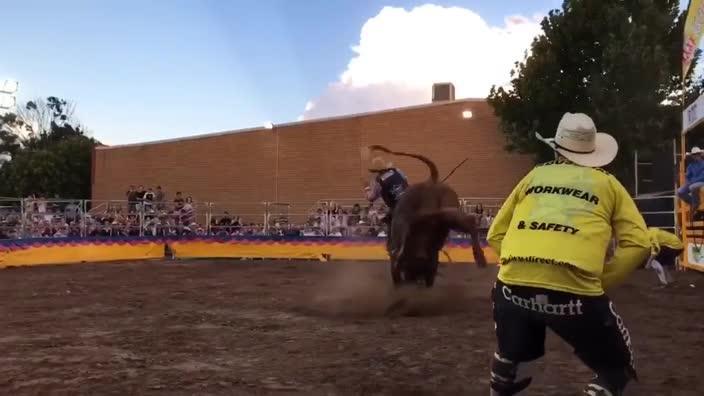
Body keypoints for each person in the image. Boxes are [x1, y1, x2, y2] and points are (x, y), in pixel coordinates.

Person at [486, 112, 651, 396]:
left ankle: (503, 376)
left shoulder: (535, 175)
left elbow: (494, 235)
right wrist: (601, 281)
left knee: (511, 354)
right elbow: (639, 244)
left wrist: (522, 268)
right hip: (575, 291)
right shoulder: (608, 184)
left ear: (557, 148)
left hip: (511, 288)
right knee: (616, 369)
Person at [364, 156, 409, 251]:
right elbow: (406, 181)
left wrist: (366, 188)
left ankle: (392, 248)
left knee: (389, 222)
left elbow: (371, 198)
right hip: (410, 201)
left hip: (397, 208)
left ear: (376, 171)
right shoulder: (397, 170)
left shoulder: (379, 181)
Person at [677, 146, 704, 215]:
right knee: (679, 191)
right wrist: (688, 181)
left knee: (692, 187)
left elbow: (702, 177)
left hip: (701, 182)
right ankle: (693, 202)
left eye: (697, 154)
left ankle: (695, 204)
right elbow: (688, 176)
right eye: (694, 155)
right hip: (692, 182)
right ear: (692, 156)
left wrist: (691, 181)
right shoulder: (691, 165)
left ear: (700, 155)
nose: (696, 156)